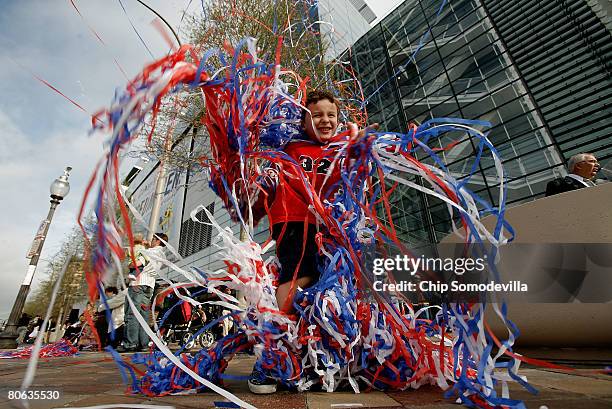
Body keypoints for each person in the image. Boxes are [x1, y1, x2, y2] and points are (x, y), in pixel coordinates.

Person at [247, 90, 376, 394]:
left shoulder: (343, 147)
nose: (325, 120)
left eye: (331, 114)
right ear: (304, 120)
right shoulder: (290, 147)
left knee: (332, 291)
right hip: (295, 222)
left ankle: (322, 359)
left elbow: (367, 154)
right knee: (297, 277)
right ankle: (273, 351)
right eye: (317, 115)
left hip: (334, 227)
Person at [118, 233, 168, 353]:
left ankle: (130, 343)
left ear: (157, 241)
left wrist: (129, 264)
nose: (151, 241)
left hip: (138, 283)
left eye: (153, 239)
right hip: (149, 285)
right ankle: (143, 343)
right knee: (144, 315)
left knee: (132, 313)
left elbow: (137, 263)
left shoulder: (150, 252)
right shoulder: (162, 254)